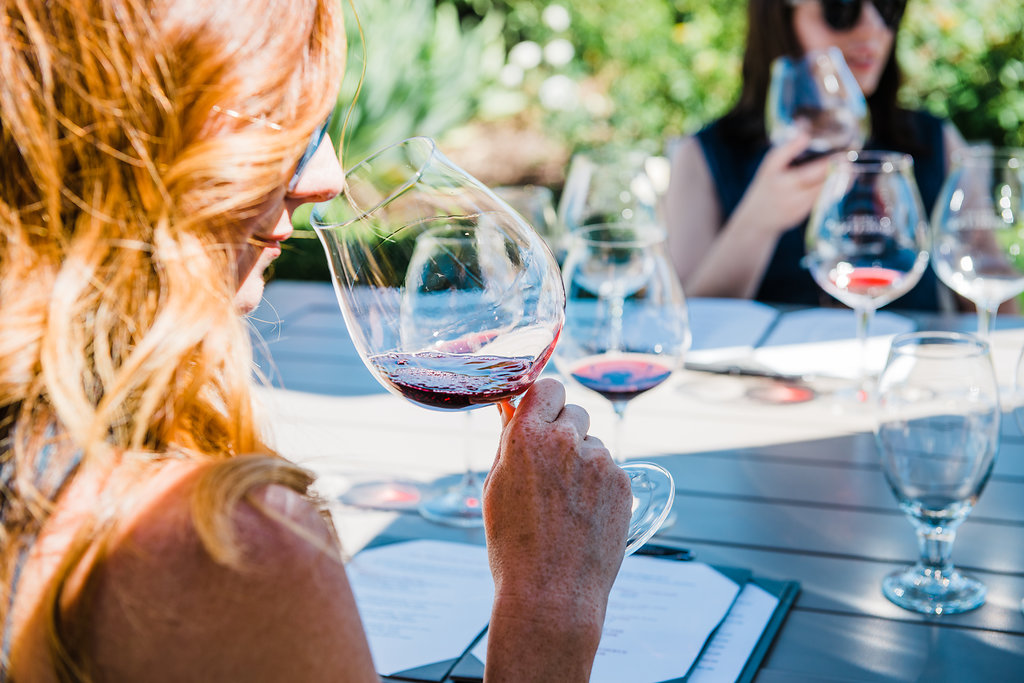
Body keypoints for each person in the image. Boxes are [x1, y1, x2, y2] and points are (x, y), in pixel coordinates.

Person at [0, 1, 632, 681]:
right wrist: (551, 607)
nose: (327, 176)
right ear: (118, 138)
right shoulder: (217, 542)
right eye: (272, 119)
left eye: (317, 125)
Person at [665, 0, 966, 311]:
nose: (872, 26)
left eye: (888, 7)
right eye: (842, 9)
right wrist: (757, 221)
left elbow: (988, 286)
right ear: (780, 16)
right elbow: (685, 321)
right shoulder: (702, 155)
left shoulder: (935, 141)